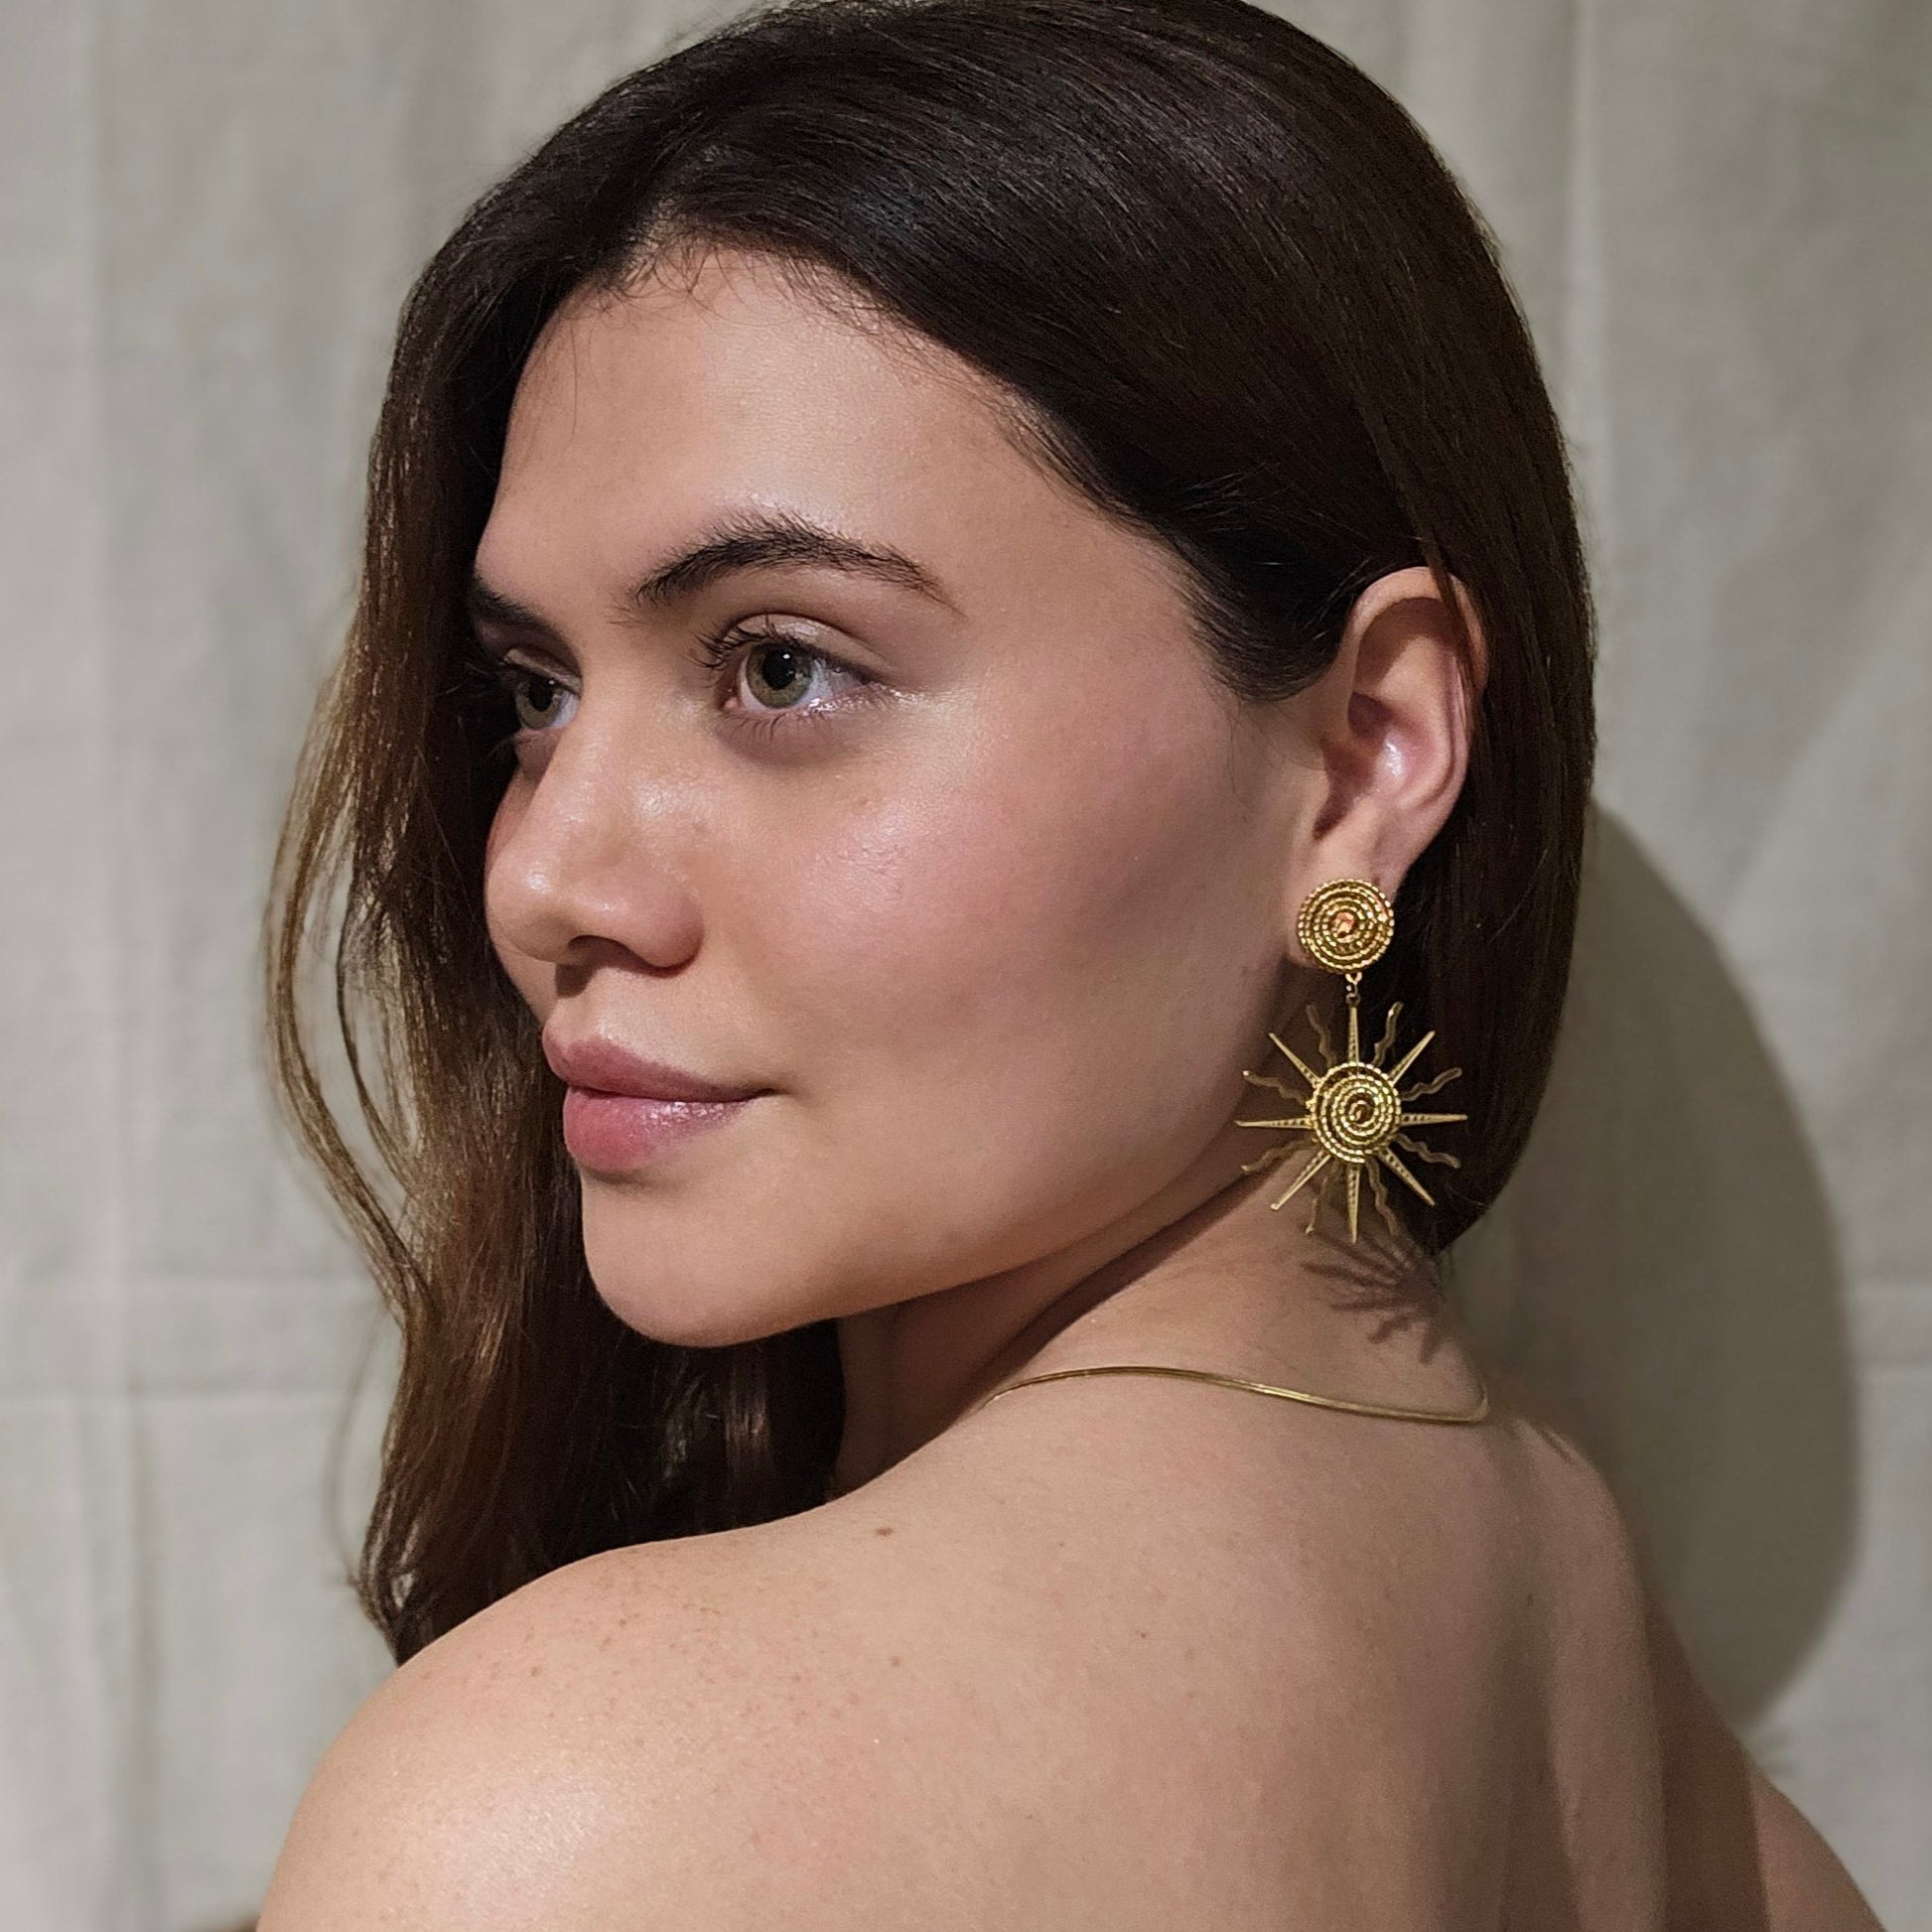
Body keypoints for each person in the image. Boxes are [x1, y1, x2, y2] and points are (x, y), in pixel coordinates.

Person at [253, 1, 1886, 1924]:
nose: (541, 875)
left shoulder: (591, 1811)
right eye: (531, 690)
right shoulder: (1716, 1824)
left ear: (1368, 755)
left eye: (785, 665)